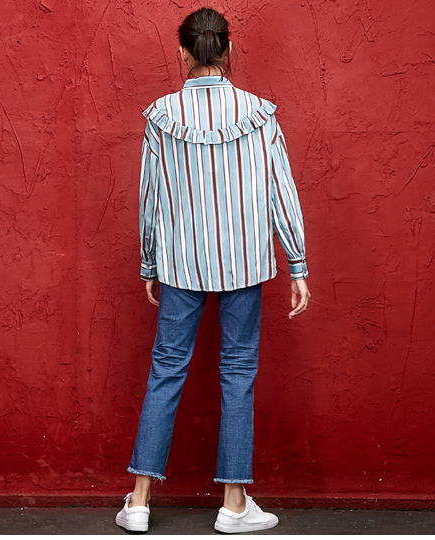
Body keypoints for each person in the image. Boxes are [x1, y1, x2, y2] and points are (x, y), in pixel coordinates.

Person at [115, 7, 311, 534]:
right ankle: (234, 505)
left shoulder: (161, 116)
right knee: (238, 372)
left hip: (180, 264)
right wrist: (296, 262)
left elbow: (150, 198)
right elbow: (282, 191)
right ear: (228, 50)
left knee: (166, 369)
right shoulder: (259, 114)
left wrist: (149, 262)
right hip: (244, 262)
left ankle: (138, 503)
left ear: (183, 52)